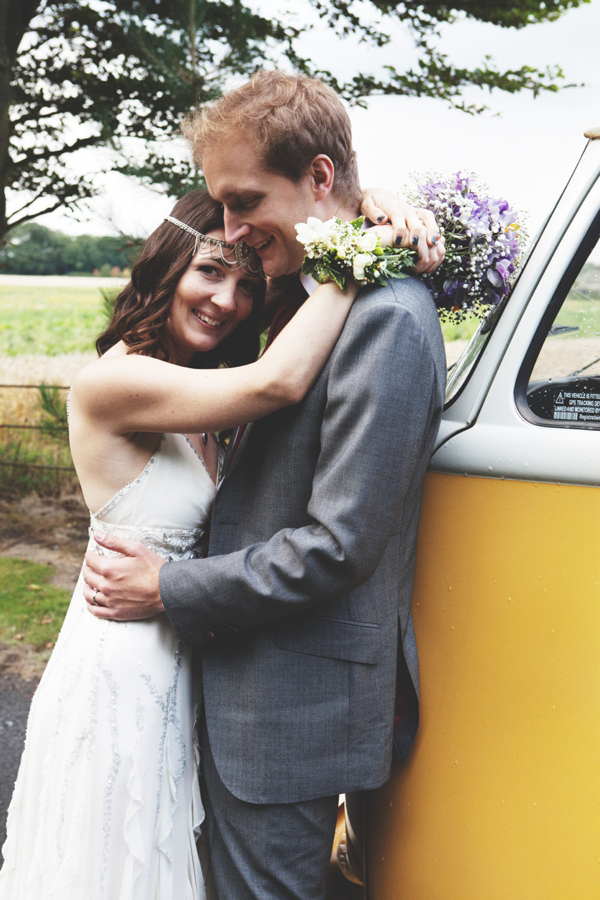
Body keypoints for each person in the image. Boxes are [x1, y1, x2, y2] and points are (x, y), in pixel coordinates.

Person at [81, 70, 448, 900]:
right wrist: (371, 208)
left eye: (245, 202)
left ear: (319, 178)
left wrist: (168, 587)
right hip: (231, 690)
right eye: (221, 208)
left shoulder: (386, 316)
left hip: (291, 716)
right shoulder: (304, 290)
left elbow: (339, 543)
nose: (232, 233)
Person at [0, 187, 373, 900]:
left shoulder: (199, 386)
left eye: (245, 283)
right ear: (169, 266)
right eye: (209, 271)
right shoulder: (117, 381)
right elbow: (280, 380)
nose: (227, 300)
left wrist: (368, 199)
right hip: (123, 668)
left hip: (184, 651)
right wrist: (358, 246)